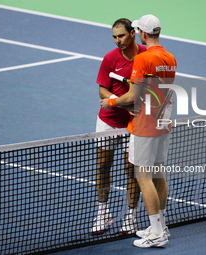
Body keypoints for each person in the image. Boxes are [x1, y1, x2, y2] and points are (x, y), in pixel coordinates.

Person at [100, 14, 177, 248]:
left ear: (142, 33)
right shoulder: (170, 58)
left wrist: (111, 103)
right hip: (163, 122)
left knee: (143, 177)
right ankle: (161, 226)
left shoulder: (143, 59)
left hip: (144, 125)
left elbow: (133, 95)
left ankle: (156, 233)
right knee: (157, 174)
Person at [91, 18, 147, 235]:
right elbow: (102, 91)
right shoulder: (110, 58)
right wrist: (123, 104)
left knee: (130, 170)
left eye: (121, 36)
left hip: (134, 125)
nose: (117, 41)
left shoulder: (145, 56)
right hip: (108, 121)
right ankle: (103, 212)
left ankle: (131, 217)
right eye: (114, 37)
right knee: (103, 166)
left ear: (132, 33)